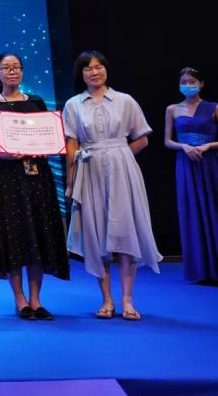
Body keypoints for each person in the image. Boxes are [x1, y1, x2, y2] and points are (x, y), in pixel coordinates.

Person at [64, 50, 161, 320]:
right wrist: (71, 182)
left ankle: (128, 300)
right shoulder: (73, 104)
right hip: (89, 170)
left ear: (106, 70)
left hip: (122, 171)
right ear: (81, 74)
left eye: (99, 67)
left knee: (125, 231)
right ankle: (106, 300)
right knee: (97, 234)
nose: (94, 72)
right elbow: (71, 143)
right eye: (88, 68)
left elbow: (142, 138)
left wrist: (121, 155)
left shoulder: (125, 100)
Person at [0, 53, 69, 321]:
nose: (12, 71)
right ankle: (20, 300)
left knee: (38, 232)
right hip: (8, 175)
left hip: (38, 174)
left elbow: (50, 133)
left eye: (16, 67)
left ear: (23, 72)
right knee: (14, 235)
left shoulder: (36, 101)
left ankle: (36, 300)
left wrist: (49, 145)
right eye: (6, 68)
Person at [164, 67, 218, 283]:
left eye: (192, 81)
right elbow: (167, 141)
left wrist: (208, 146)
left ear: (201, 84)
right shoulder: (172, 109)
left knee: (213, 209)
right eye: (184, 82)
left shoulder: (214, 107)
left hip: (209, 163)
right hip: (185, 164)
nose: (188, 85)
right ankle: (200, 270)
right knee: (191, 211)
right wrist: (184, 147)